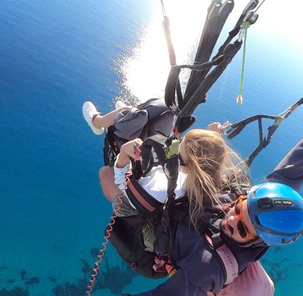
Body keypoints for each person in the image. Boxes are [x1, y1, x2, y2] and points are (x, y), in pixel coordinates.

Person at [74, 91, 303, 296]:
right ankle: (116, 121)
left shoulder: (206, 267)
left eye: (240, 228)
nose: (230, 219)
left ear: (258, 240)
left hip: (158, 236)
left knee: (105, 175)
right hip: (186, 208)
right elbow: (295, 166)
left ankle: (105, 126)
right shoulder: (256, 207)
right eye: (237, 208)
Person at [83, 99, 247, 251]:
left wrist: (125, 154)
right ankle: (123, 119)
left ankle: (97, 122)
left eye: (182, 142)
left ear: (188, 157)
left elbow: (123, 183)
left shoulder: (161, 184)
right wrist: (213, 136)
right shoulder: (201, 176)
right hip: (152, 183)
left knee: (104, 172)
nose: (179, 140)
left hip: (130, 204)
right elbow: (200, 155)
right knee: (164, 111)